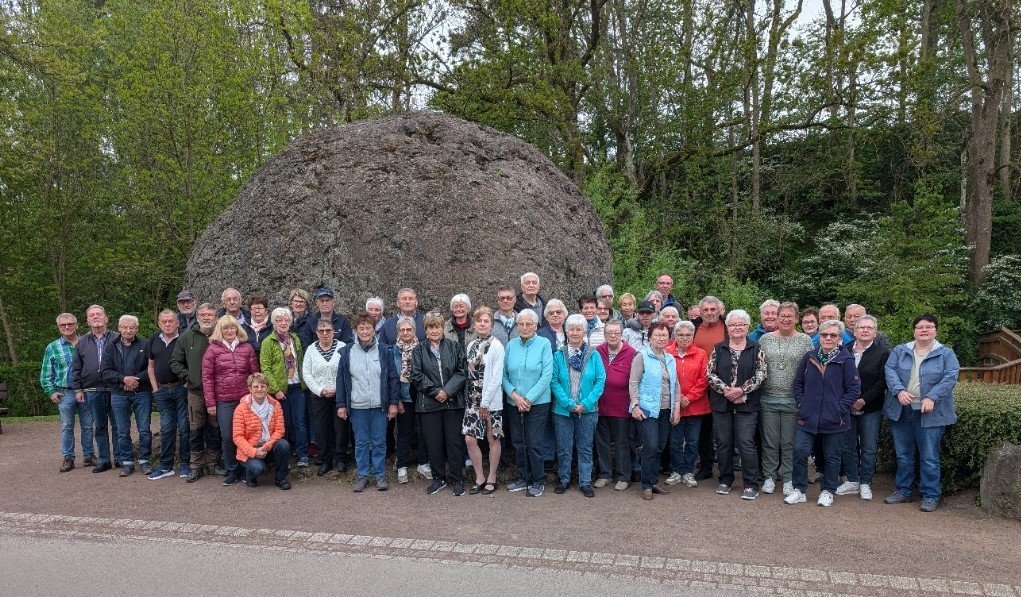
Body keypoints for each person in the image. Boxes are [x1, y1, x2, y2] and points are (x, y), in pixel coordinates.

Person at [882, 313, 959, 512]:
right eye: (920, 327)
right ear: (914, 330)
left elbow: (950, 377)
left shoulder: (946, 354)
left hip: (930, 412)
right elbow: (889, 370)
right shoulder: (901, 350)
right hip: (902, 410)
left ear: (936, 330)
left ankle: (931, 494)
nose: (924, 330)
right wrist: (898, 390)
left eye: (929, 326)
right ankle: (903, 491)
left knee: (929, 456)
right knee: (903, 455)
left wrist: (932, 397)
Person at [786, 320, 861, 506]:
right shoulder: (809, 357)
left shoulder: (846, 360)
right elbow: (798, 384)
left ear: (839, 338)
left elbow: (854, 389)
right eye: (824, 334)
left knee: (832, 456)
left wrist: (839, 408)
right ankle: (799, 490)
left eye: (833, 335)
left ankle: (828, 491)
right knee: (800, 451)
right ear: (819, 336)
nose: (828, 338)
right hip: (808, 416)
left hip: (834, 419)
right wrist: (802, 403)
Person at [336, 313, 400, 492]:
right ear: (355, 330)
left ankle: (380, 475)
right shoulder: (347, 351)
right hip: (357, 406)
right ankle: (363, 475)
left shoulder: (384, 350)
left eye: (368, 328)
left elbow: (392, 378)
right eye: (361, 328)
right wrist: (341, 404)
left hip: (379, 405)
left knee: (379, 441)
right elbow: (341, 379)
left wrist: (393, 402)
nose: (365, 331)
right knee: (361, 442)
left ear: (374, 330)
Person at [706, 309, 766, 500]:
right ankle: (725, 479)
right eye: (733, 325)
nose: (737, 328)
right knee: (723, 444)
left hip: (747, 405)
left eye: (741, 324)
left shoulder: (756, 348)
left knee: (746, 443)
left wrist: (741, 390)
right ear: (728, 328)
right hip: (722, 404)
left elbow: (761, 374)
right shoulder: (719, 348)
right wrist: (727, 391)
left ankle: (750, 483)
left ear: (747, 327)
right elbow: (710, 374)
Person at [757, 302, 814, 496]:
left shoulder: (805, 340)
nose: (786, 319)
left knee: (789, 442)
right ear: (777, 317)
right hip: (768, 398)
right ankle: (770, 477)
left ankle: (788, 478)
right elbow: (758, 367)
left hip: (793, 399)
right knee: (770, 441)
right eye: (782, 316)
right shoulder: (765, 339)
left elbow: (811, 369)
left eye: (790, 316)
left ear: (796, 318)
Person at [412, 312, 468, 495]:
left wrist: (447, 391)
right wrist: (436, 392)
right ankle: (439, 478)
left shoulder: (455, 347)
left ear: (442, 328)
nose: (434, 330)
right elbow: (417, 375)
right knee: (433, 443)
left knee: (454, 442)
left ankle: (457, 478)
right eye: (430, 327)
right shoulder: (418, 350)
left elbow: (462, 372)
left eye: (437, 326)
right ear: (425, 330)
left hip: (453, 402)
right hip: (429, 404)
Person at [834, 315, 889, 501]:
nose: (865, 330)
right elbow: (837, 379)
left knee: (868, 446)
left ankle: (865, 481)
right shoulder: (843, 350)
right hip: (846, 407)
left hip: (871, 407)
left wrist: (863, 400)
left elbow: (882, 382)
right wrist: (848, 401)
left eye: (870, 328)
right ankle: (851, 480)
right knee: (848, 445)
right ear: (854, 331)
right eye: (861, 327)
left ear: (875, 331)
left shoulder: (882, 353)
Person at [550, 314, 606, 497]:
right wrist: (568, 403)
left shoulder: (594, 354)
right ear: (566, 332)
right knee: (564, 447)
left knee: (585, 447)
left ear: (584, 332)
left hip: (587, 410)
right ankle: (564, 479)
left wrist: (586, 403)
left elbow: (600, 381)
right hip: (563, 410)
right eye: (571, 329)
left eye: (578, 329)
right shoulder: (559, 355)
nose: (575, 332)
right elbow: (554, 381)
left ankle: (585, 482)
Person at [201, 315, 260, 486]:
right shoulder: (212, 349)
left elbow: (254, 375)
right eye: (225, 328)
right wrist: (210, 402)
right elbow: (207, 378)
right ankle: (232, 470)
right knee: (227, 436)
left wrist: (254, 398)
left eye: (232, 328)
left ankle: (246, 468)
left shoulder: (246, 348)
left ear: (237, 329)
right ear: (220, 330)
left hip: (245, 400)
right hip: (223, 400)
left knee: (247, 436)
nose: (229, 331)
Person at [502, 309, 553, 497]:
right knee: (517, 441)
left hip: (538, 403)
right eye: (521, 324)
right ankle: (524, 478)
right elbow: (504, 374)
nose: (524, 327)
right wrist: (514, 396)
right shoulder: (511, 345)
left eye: (528, 324)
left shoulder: (544, 344)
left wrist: (528, 398)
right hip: (514, 401)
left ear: (536, 325)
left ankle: (538, 480)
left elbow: (546, 375)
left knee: (533, 442)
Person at [171, 303, 222, 482]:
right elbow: (175, 362)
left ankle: (213, 463)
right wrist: (189, 377)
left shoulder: (222, 336)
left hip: (218, 392)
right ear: (197, 317)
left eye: (210, 314)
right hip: (195, 391)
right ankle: (196, 465)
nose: (206, 317)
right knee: (196, 429)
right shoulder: (186, 337)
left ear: (216, 317)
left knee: (216, 428)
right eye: (202, 315)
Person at [629, 322, 677, 500]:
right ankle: (646, 485)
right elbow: (633, 382)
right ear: (650, 337)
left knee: (659, 447)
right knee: (650, 446)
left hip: (666, 409)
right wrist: (635, 405)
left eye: (664, 335)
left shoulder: (670, 358)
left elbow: (675, 385)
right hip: (647, 409)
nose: (661, 338)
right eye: (657, 335)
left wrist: (676, 408)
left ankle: (653, 481)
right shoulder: (642, 356)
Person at [41, 313, 94, 473]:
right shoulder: (53, 347)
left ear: (77, 325)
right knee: (66, 426)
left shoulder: (86, 342)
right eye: (63, 325)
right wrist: (51, 392)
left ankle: (89, 455)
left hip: (86, 391)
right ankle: (68, 457)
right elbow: (45, 374)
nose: (67, 327)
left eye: (70, 324)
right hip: (65, 393)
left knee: (88, 426)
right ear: (59, 328)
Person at [71, 305, 120, 473]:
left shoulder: (117, 338)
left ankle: (120, 458)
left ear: (106, 318)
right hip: (92, 390)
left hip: (115, 389)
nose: (96, 317)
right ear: (87, 321)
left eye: (99, 314)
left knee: (118, 425)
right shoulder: (82, 342)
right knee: (99, 426)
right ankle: (104, 459)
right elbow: (76, 368)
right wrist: (78, 389)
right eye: (92, 315)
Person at [102, 314, 153, 476]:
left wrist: (136, 380)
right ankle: (127, 462)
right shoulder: (110, 346)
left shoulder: (145, 344)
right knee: (122, 430)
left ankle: (145, 461)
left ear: (137, 329)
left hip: (142, 391)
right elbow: (105, 371)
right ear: (119, 328)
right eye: (125, 327)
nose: (128, 330)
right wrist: (124, 379)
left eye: (132, 327)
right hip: (119, 393)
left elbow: (152, 368)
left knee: (144, 429)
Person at [463, 307, 505, 495]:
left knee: (491, 438)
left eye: (486, 321)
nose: (482, 324)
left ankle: (492, 477)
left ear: (491, 325)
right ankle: (479, 477)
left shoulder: (497, 346)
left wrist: (485, 403)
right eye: (479, 321)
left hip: (491, 402)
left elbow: (496, 378)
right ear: (474, 324)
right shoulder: (471, 346)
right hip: (472, 401)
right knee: (470, 439)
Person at [261, 307, 308, 467]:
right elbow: (265, 368)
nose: (283, 323)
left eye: (286, 320)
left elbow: (300, 362)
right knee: (283, 424)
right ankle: (284, 458)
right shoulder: (268, 342)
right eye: (279, 320)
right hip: (280, 390)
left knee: (300, 423)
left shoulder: (294, 339)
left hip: (297, 387)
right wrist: (276, 390)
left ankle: (303, 455)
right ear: (273, 323)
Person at [664, 320, 708, 488]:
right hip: (675, 405)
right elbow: (665, 378)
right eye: (680, 335)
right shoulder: (667, 352)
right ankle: (676, 471)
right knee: (675, 441)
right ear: (675, 335)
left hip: (695, 405)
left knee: (692, 441)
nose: (684, 338)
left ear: (693, 336)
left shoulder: (701, 354)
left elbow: (704, 379)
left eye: (688, 335)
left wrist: (689, 397)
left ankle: (688, 471)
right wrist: (679, 397)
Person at [146, 309, 188, 480]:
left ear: (177, 323)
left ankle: (186, 464)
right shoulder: (154, 339)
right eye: (164, 321)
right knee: (167, 428)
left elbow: (192, 363)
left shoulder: (185, 338)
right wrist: (155, 388)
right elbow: (150, 366)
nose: (168, 324)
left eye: (171, 321)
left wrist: (186, 385)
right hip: (162, 391)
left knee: (185, 428)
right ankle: (166, 466)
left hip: (181, 389)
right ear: (159, 323)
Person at [594, 320, 636, 490]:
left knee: (621, 443)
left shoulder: (631, 353)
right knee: (601, 442)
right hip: (599, 405)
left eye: (616, 332)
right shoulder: (598, 351)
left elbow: (635, 380)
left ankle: (623, 476)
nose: (612, 335)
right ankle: (604, 474)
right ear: (604, 335)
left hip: (621, 406)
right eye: (609, 332)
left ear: (621, 334)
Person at [303, 318, 347, 476]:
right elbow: (306, 374)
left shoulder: (342, 347)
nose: (325, 334)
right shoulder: (311, 350)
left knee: (340, 428)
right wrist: (320, 390)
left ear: (333, 331)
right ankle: (326, 460)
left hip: (339, 395)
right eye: (321, 331)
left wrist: (338, 389)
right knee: (322, 429)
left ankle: (341, 459)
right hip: (319, 396)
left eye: (328, 330)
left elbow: (346, 371)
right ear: (316, 333)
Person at [233, 373, 292, 490]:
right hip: (249, 450)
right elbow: (237, 437)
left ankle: (281, 478)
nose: (259, 389)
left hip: (268, 446)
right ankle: (250, 476)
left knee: (284, 445)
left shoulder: (275, 405)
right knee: (257, 469)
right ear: (250, 389)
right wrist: (254, 452)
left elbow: (280, 430)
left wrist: (266, 446)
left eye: (263, 386)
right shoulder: (241, 408)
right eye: (256, 386)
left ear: (267, 388)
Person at [692, 296, 726, 481]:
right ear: (700, 311)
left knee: (723, 428)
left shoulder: (728, 326)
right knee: (704, 428)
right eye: (706, 310)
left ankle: (725, 466)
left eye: (713, 309)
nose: (710, 313)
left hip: (723, 385)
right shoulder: (693, 327)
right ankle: (705, 466)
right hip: (700, 385)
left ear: (720, 310)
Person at [390, 316, 422, 484]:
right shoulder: (392, 351)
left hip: (421, 395)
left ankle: (424, 462)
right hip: (403, 397)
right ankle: (402, 464)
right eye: (402, 330)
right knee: (404, 432)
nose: (405, 332)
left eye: (408, 329)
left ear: (414, 331)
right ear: (398, 332)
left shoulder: (422, 348)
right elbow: (392, 377)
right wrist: (396, 400)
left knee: (423, 431)